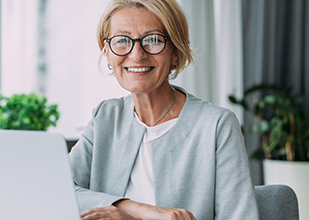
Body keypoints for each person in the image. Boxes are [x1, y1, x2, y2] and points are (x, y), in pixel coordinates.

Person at [69, 0, 260, 219]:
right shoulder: (105, 116)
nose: (137, 54)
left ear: (176, 54)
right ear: (108, 53)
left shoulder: (216, 126)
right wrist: (137, 209)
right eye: (122, 40)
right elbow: (60, 187)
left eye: (153, 40)